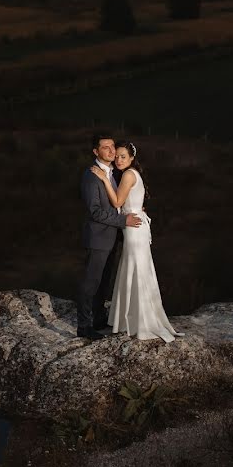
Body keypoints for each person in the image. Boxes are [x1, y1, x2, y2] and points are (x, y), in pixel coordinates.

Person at [90, 141, 184, 343]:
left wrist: (103, 179)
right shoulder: (132, 174)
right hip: (135, 226)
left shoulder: (128, 174)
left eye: (123, 156)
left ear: (132, 158)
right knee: (135, 269)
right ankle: (129, 319)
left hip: (133, 228)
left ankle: (138, 320)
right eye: (117, 156)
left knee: (136, 270)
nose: (119, 159)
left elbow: (117, 202)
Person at [78, 135, 142, 341]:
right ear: (96, 152)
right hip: (97, 238)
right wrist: (124, 221)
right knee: (90, 282)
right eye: (105, 147)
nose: (111, 150)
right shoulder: (91, 176)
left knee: (104, 282)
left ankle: (98, 318)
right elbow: (95, 212)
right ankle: (84, 326)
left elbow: (119, 202)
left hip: (112, 238)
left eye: (112, 146)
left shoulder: (114, 174)